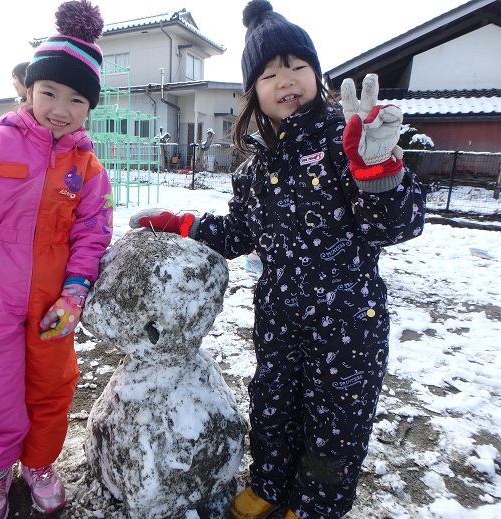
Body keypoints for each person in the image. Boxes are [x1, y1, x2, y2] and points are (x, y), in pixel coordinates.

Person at [129, 1, 425, 518]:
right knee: (273, 405)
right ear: (254, 93)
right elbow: (239, 233)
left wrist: (377, 170)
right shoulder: (253, 170)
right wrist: (183, 224)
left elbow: (393, 228)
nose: (284, 80)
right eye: (268, 74)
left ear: (318, 76)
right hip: (279, 319)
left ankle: (314, 505)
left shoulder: (346, 143)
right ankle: (270, 484)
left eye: (296, 67)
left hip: (347, 324)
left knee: (335, 422)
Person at [0, 1, 113, 518]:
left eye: (77, 99)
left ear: (89, 107)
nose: (60, 108)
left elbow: (93, 234)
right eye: (49, 91)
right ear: (28, 89)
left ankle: (39, 464)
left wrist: (76, 291)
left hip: (53, 299)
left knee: (51, 385)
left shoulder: (89, 168)